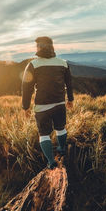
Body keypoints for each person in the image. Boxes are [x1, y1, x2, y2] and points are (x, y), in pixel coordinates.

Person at [22, 36, 74, 169]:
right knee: (61, 128)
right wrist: (70, 99)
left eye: (37, 46)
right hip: (60, 103)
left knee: (44, 134)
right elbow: (69, 83)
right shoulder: (63, 63)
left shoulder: (33, 64)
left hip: (42, 106)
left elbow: (26, 87)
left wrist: (25, 106)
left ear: (39, 47)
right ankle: (62, 149)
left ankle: (51, 161)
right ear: (52, 47)